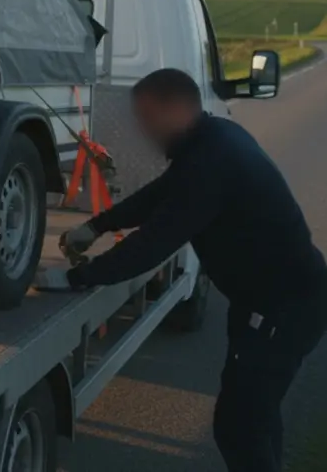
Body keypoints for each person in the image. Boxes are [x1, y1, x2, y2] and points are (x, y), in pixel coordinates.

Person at [35, 68, 327, 472]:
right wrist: (98, 225)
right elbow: (159, 196)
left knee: (240, 425)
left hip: (284, 309)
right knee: (255, 417)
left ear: (176, 108)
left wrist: (75, 277)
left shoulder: (212, 160)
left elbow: (156, 240)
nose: (144, 129)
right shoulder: (211, 140)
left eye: (148, 117)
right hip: (274, 302)